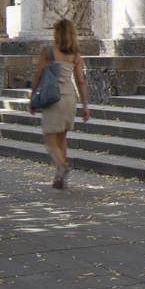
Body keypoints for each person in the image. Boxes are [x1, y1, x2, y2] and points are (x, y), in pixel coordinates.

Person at [33, 18, 90, 188]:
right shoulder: (75, 55)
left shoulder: (48, 51)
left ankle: (61, 166)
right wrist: (85, 106)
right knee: (62, 138)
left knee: (50, 139)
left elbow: (38, 75)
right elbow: (81, 81)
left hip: (52, 98)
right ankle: (59, 177)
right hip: (69, 97)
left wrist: (32, 97)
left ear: (57, 33)